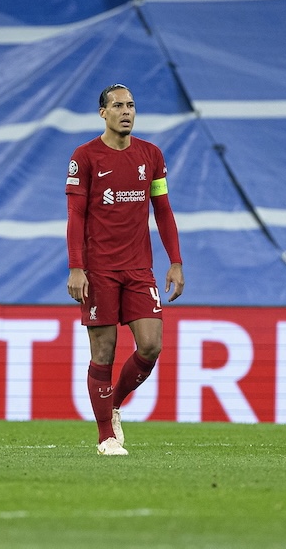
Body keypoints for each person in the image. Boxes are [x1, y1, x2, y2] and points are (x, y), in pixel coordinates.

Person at [65, 83, 184, 456]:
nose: (126, 111)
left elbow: (162, 210)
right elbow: (75, 216)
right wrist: (76, 268)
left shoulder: (151, 155)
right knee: (104, 352)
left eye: (131, 105)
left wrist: (175, 261)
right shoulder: (84, 157)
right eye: (118, 106)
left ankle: (114, 404)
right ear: (103, 113)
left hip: (138, 269)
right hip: (98, 270)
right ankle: (105, 436)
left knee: (151, 346)